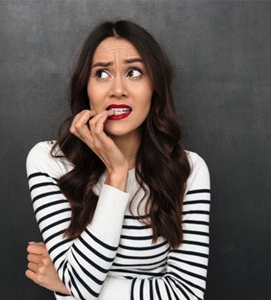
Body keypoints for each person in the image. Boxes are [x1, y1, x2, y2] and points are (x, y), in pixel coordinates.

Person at [25, 20, 210, 300]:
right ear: (85, 87)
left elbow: (187, 294)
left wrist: (65, 284)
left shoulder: (188, 170)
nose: (118, 89)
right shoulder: (50, 161)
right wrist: (117, 174)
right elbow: (81, 283)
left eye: (134, 72)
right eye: (101, 74)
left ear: (154, 87)